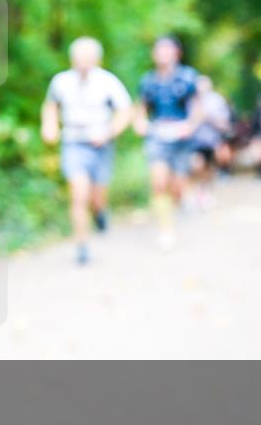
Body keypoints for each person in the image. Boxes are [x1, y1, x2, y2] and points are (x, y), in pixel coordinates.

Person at [41, 37, 132, 265]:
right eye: (78, 57)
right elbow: (50, 105)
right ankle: (81, 244)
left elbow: (125, 112)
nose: (82, 62)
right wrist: (50, 126)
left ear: (96, 59)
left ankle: (100, 212)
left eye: (87, 57)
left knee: (96, 197)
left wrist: (108, 133)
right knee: (78, 193)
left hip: (101, 144)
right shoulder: (61, 82)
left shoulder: (108, 82)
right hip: (73, 142)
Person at [132, 35, 202, 249]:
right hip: (158, 136)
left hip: (181, 137)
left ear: (176, 53)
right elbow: (140, 108)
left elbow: (198, 108)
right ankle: (166, 230)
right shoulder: (147, 81)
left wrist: (189, 126)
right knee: (158, 183)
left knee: (177, 186)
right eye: (159, 50)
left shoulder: (188, 77)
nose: (163, 54)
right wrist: (140, 122)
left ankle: (183, 197)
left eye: (167, 49)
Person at [189, 75, 232, 208]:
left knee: (208, 168)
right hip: (193, 141)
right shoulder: (190, 100)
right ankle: (197, 192)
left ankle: (206, 191)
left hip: (211, 141)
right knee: (196, 165)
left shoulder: (217, 100)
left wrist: (208, 117)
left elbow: (225, 123)